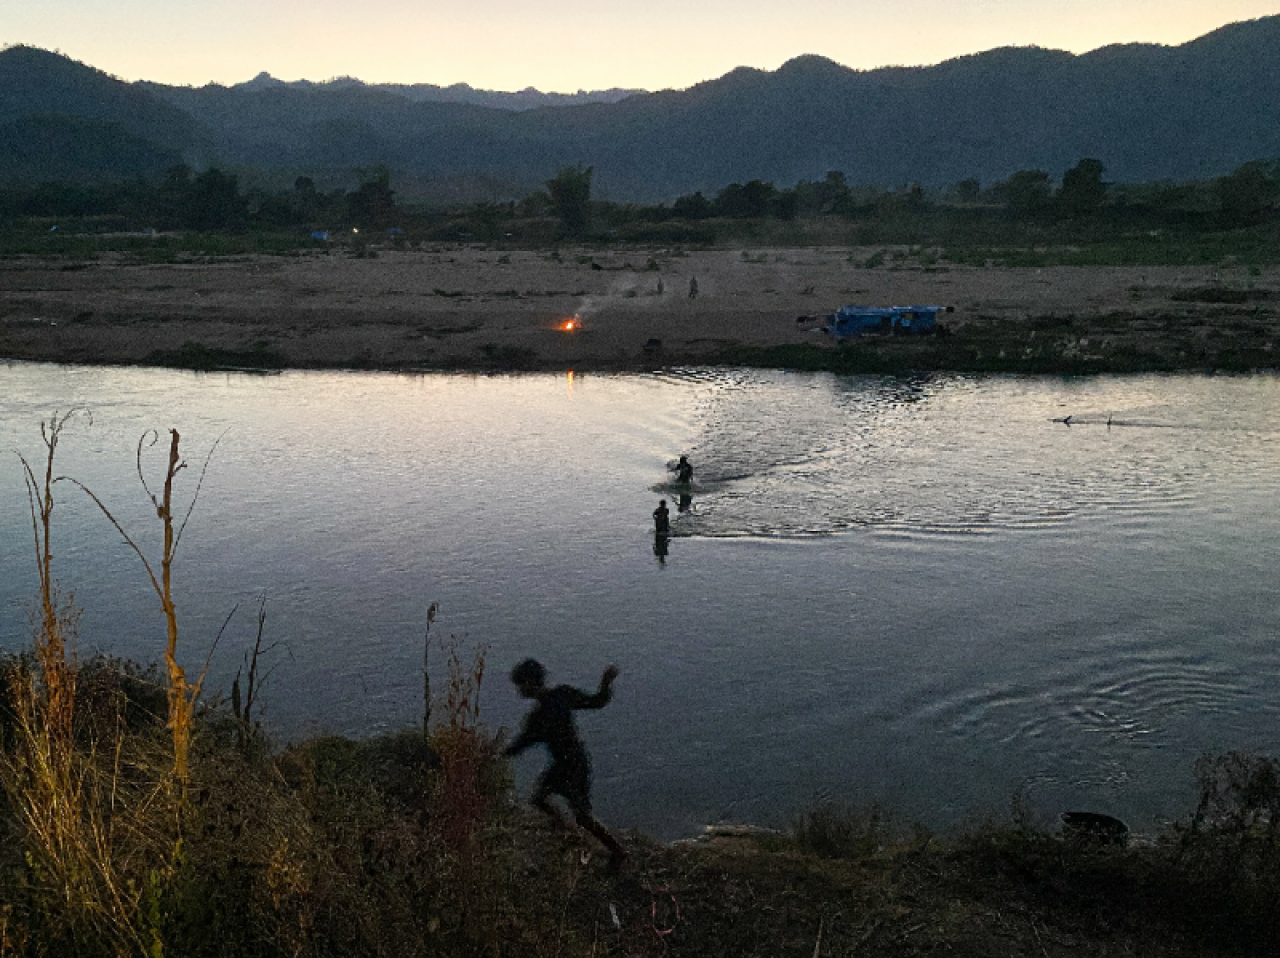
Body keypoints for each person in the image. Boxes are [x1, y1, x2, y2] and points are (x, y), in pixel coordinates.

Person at [505, 659, 628, 871]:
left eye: (521, 685)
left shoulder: (537, 716)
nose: (519, 691)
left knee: (581, 815)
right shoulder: (561, 696)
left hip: (573, 765)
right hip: (567, 763)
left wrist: (497, 753)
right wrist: (605, 684)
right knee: (538, 797)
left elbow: (520, 745)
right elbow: (597, 701)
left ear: (531, 683)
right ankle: (567, 831)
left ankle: (618, 852)